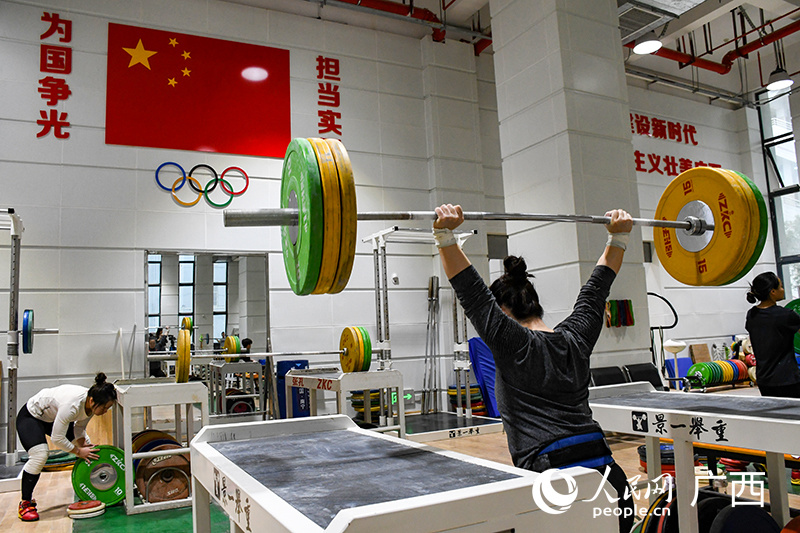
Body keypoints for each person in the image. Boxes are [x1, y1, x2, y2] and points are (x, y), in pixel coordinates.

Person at [433, 204, 635, 533]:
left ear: (503, 311)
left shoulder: (512, 342)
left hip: (554, 483)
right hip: (609, 478)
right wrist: (619, 236)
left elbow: (472, 293)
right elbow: (596, 289)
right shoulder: (576, 338)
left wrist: (445, 235)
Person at [16, 372, 117, 521]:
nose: (105, 411)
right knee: (40, 455)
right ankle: (25, 503)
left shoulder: (90, 403)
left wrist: (83, 446)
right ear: (91, 401)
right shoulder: (72, 405)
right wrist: (78, 451)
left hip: (52, 417)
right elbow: (57, 439)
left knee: (87, 447)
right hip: (32, 416)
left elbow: (79, 428)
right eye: (104, 407)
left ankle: (92, 488)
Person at [745, 272, 800, 398]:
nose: (783, 290)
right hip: (787, 380)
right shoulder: (786, 315)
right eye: (780, 287)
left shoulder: (751, 315)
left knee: (775, 417)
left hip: (764, 381)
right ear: (772, 292)